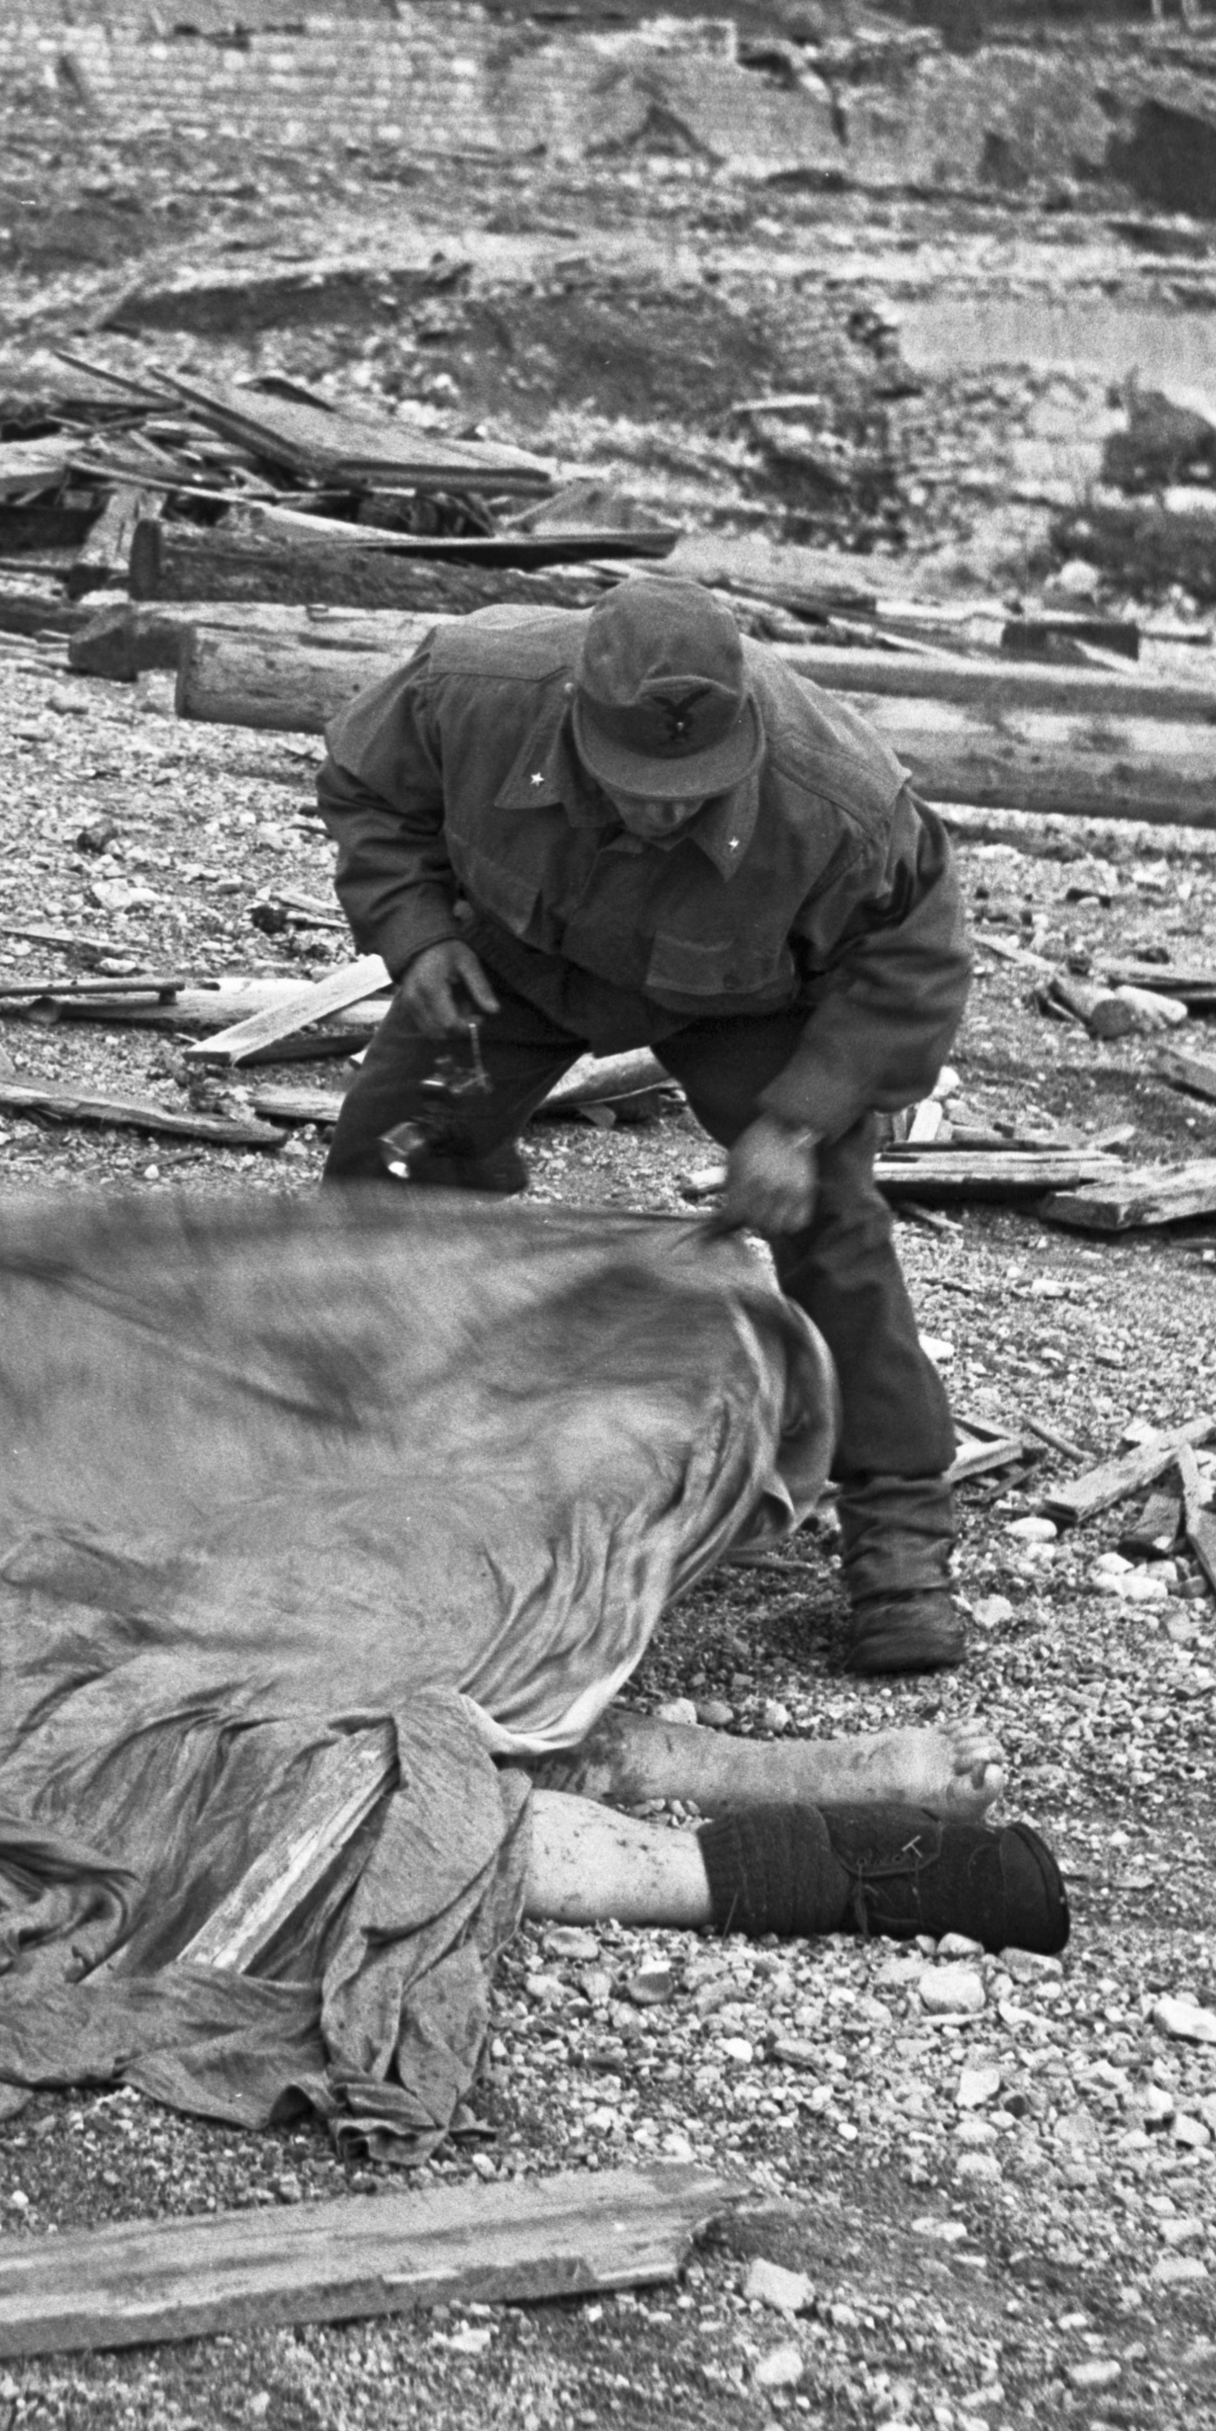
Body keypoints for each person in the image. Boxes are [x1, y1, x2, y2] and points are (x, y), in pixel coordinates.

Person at [314, 577, 978, 1673]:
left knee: (831, 1219)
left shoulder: (840, 800)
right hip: (512, 960)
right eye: (640, 787)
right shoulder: (471, 686)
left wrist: (798, 1122)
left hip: (742, 994)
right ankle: (390, 1452)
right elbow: (364, 785)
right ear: (574, 717)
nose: (665, 812)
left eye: (692, 792)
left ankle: (898, 1527)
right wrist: (418, 932)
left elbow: (917, 955)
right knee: (388, 1165)